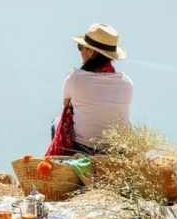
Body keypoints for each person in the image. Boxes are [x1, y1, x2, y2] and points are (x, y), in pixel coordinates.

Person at [51, 21, 133, 155]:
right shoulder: (127, 82)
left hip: (83, 148)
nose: (80, 51)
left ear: (91, 51)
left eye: (80, 47)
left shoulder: (75, 78)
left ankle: (62, 164)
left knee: (56, 122)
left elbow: (66, 105)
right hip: (117, 150)